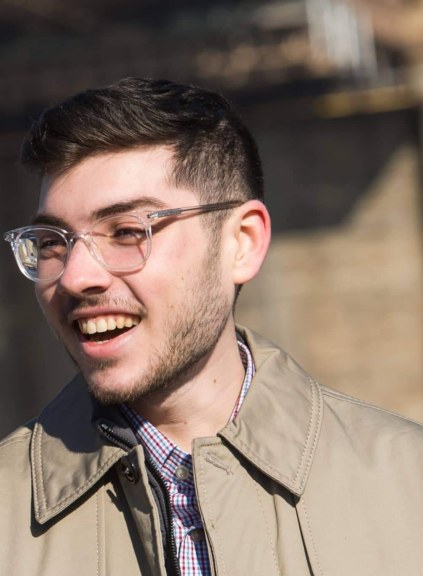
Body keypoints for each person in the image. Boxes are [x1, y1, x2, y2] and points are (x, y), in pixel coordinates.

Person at [1, 77, 422, 576]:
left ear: (241, 243)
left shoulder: (407, 484)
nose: (75, 276)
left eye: (128, 232)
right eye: (52, 242)